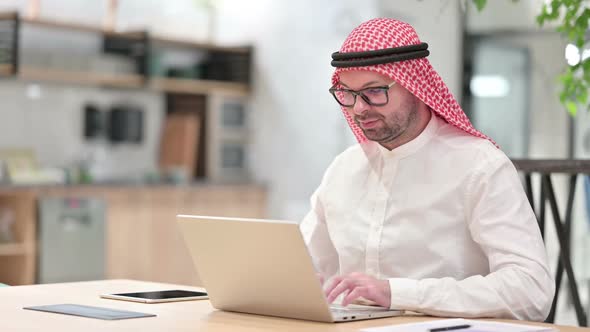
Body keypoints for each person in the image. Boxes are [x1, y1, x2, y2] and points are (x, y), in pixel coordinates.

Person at [299, 18, 554, 321]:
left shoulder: (479, 166)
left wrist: (397, 293)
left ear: (414, 86)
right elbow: (306, 264)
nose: (359, 108)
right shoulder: (343, 169)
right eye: (348, 94)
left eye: (374, 91)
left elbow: (531, 290)